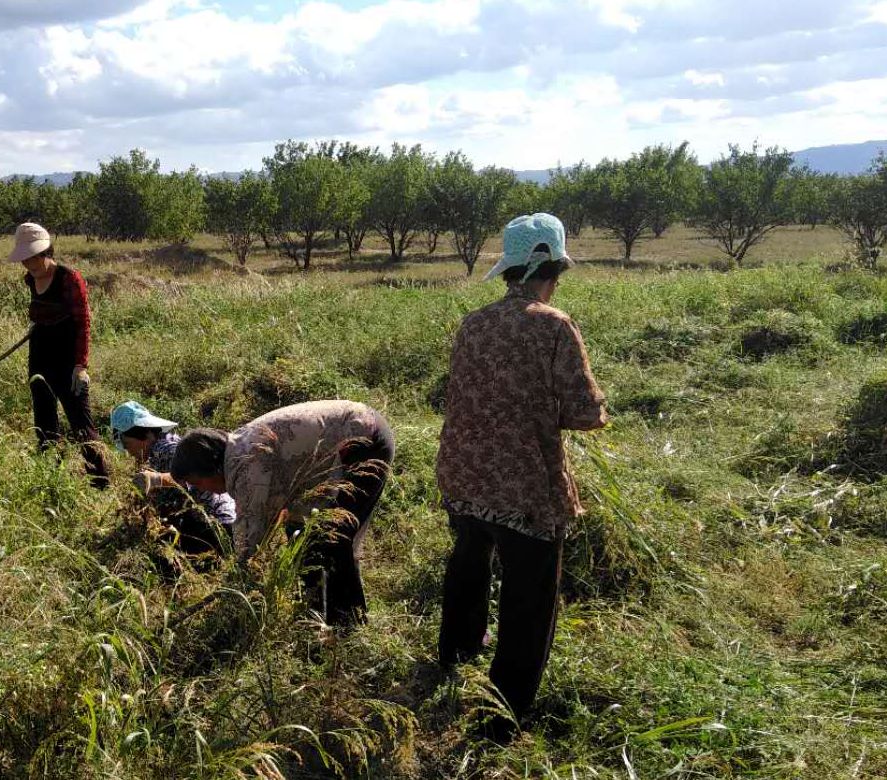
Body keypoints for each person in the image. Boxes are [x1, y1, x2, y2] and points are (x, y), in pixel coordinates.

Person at [435, 212, 608, 727]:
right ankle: (504, 709)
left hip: (463, 472)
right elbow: (585, 414)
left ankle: (456, 653)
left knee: (469, 559)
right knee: (529, 594)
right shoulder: (553, 325)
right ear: (552, 269)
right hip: (525, 485)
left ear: (510, 270)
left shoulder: (475, 322)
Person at [170, 400, 394, 627]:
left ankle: (348, 628)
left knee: (334, 539)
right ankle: (314, 618)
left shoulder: (247, 466)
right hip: (344, 442)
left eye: (197, 482)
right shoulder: (236, 452)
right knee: (301, 539)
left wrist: (235, 582)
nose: (200, 490)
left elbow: (250, 539)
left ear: (211, 467)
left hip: (364, 438)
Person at [12, 222, 110, 489]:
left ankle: (101, 483)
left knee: (81, 422)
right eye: (24, 259)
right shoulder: (30, 279)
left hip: (67, 359)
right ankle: (50, 478)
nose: (28, 264)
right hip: (39, 354)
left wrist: (81, 365)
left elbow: (83, 323)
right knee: (44, 419)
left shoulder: (69, 278)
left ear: (45, 252)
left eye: (32, 257)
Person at [110, 400, 236, 556]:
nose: (128, 451)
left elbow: (180, 489)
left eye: (127, 444)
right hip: (221, 523)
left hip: (218, 526)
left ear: (146, 434)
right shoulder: (164, 447)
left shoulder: (167, 451)